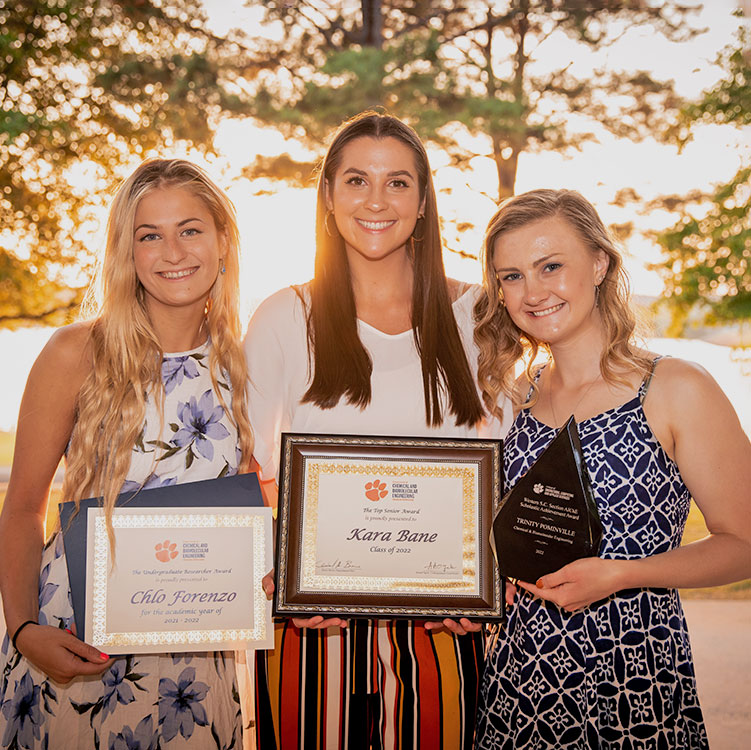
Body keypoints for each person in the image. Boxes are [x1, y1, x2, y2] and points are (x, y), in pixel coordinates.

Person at [244, 111, 510, 749]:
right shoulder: (285, 315)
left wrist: (484, 574)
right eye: (357, 180)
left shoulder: (480, 314)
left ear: (423, 202)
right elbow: (250, 472)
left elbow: (504, 471)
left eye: (398, 183)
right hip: (312, 622)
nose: (376, 200)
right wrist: (283, 571)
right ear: (329, 196)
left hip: (443, 622)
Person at [472, 188, 751, 748]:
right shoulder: (511, 399)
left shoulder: (675, 387)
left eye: (551, 266)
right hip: (519, 680)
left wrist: (622, 575)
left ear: (599, 263)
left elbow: (744, 540)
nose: (533, 291)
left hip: (632, 675)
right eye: (511, 276)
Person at [0, 159, 253, 748]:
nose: (173, 251)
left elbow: (257, 511)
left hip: (195, 660)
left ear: (222, 240)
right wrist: (24, 631)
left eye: (190, 229)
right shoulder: (75, 353)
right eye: (149, 235)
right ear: (128, 251)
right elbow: (21, 508)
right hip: (73, 646)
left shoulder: (246, 365)